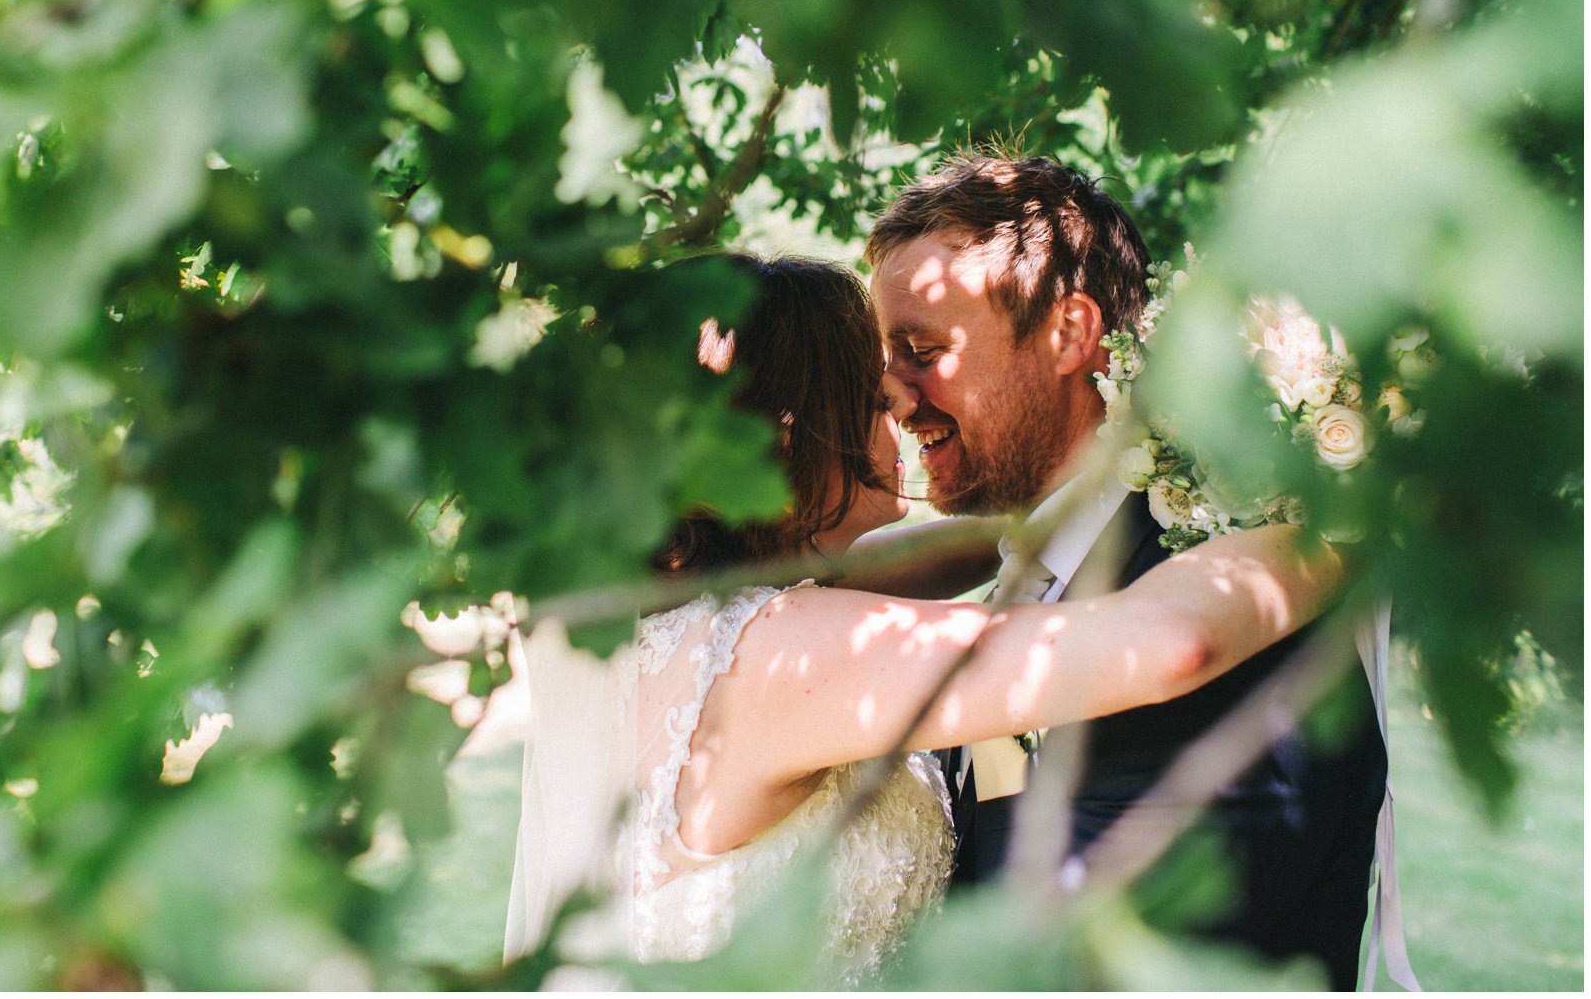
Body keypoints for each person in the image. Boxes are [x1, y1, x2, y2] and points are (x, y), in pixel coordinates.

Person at [504, 252, 1346, 985]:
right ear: (795, 430)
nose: (900, 413)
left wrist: (1136, 455)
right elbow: (1169, 641)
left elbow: (975, 545)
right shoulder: (776, 655)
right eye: (872, 400)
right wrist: (1354, 513)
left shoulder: (690, 614)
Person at [865, 152, 1389, 989]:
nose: (891, 392)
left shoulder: (1236, 607)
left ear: (1070, 332)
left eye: (921, 349)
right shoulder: (1047, 551)